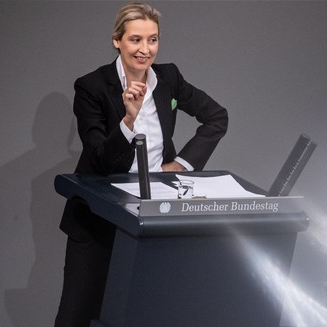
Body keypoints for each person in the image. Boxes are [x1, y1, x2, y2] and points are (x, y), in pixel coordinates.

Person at [54, 2, 228, 326]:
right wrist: (129, 120)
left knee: (143, 314)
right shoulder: (91, 87)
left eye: (152, 40)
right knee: (78, 317)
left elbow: (217, 117)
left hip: (152, 217)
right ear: (117, 40)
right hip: (98, 220)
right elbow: (99, 161)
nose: (145, 50)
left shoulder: (170, 78)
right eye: (135, 40)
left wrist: (180, 165)